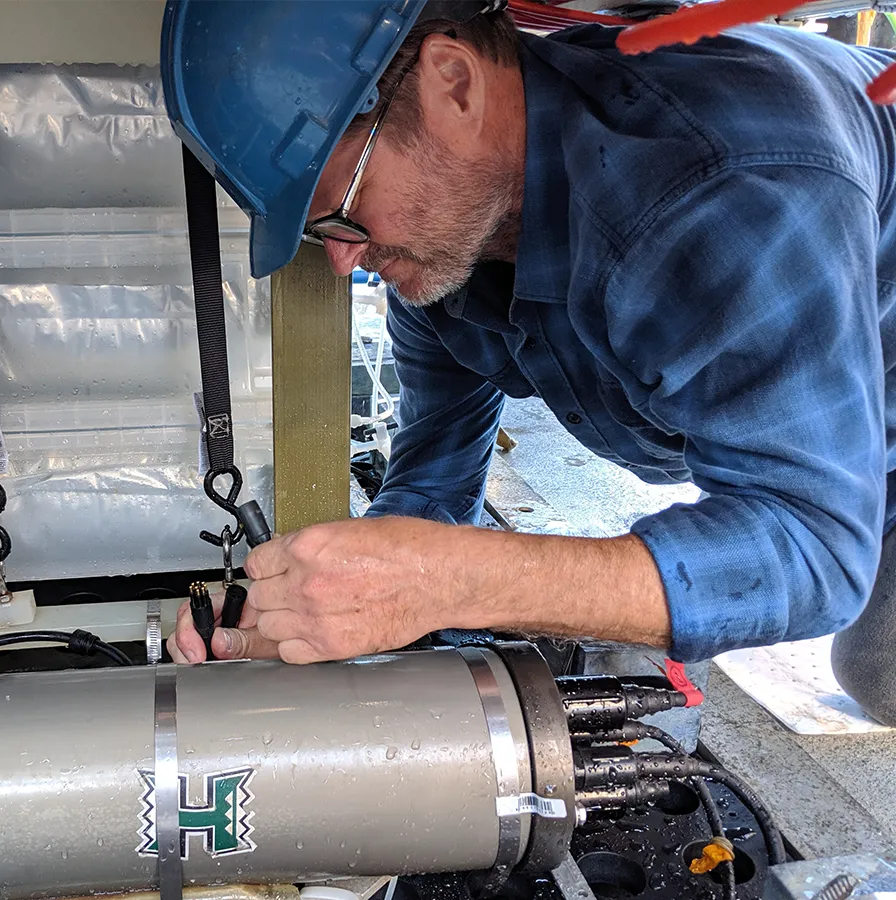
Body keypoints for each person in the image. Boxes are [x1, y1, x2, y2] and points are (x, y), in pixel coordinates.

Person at [160, 0, 896, 725]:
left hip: (867, 407)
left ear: (454, 84)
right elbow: (431, 490)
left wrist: (451, 579)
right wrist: (309, 615)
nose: (346, 261)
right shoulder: (447, 244)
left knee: (880, 674)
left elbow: (814, 550)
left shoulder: (718, 185)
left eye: (343, 211)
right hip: (814, 408)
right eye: (323, 236)